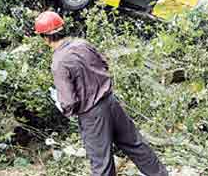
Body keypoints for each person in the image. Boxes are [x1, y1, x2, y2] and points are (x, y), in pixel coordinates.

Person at [34, 11, 168, 176]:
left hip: (92, 115)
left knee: (101, 164)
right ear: (63, 28)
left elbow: (69, 102)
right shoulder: (82, 44)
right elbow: (104, 63)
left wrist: (64, 107)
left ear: (45, 38)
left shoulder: (59, 62)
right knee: (136, 145)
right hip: (111, 102)